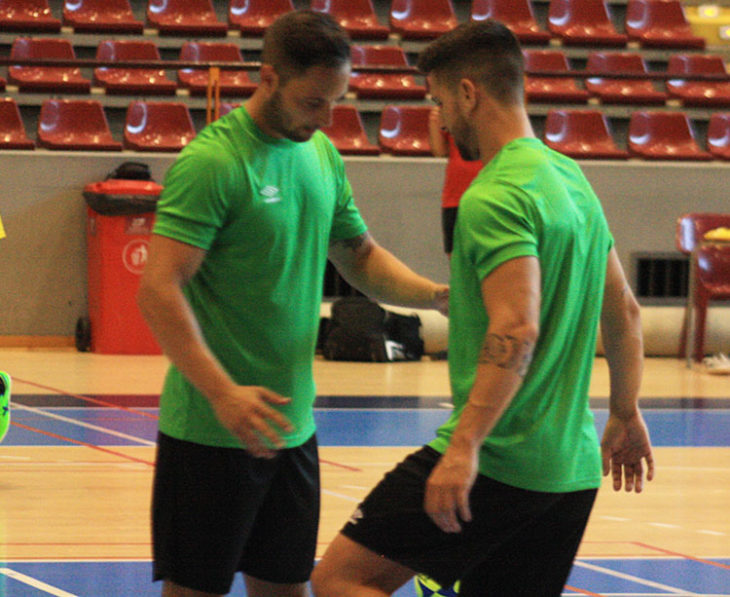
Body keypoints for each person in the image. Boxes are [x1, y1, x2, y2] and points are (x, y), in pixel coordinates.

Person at [312, 20, 654, 597]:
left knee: (342, 579)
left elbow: (516, 325)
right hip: (569, 471)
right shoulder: (569, 179)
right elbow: (623, 309)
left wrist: (465, 444)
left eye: (441, 101)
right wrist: (624, 411)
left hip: (499, 460)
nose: (441, 120)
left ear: (468, 93)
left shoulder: (494, 194)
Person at [137, 10, 448, 597]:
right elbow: (158, 290)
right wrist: (223, 392)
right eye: (313, 102)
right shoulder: (214, 164)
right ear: (269, 77)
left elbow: (360, 257)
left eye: (336, 101)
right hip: (209, 433)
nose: (326, 118)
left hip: (293, 429)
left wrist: (435, 297)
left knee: (285, 589)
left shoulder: (321, 155)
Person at [428, 106, 483, 258]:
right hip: (454, 197)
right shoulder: (448, 107)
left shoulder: (490, 109)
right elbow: (440, 151)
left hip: (487, 195)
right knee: (455, 260)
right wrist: (434, 124)